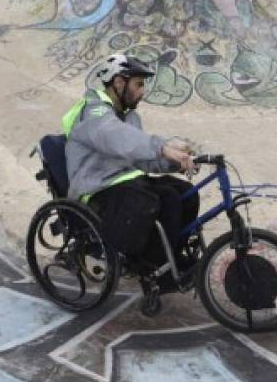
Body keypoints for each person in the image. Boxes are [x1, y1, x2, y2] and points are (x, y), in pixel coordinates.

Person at [63, 54, 200, 291]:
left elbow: (142, 159)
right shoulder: (94, 111)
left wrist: (177, 162)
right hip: (97, 188)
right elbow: (114, 136)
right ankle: (154, 269)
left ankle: (173, 259)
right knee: (161, 199)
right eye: (139, 84)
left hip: (127, 183)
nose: (143, 91)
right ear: (118, 83)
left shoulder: (128, 117)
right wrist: (162, 147)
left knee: (184, 193)